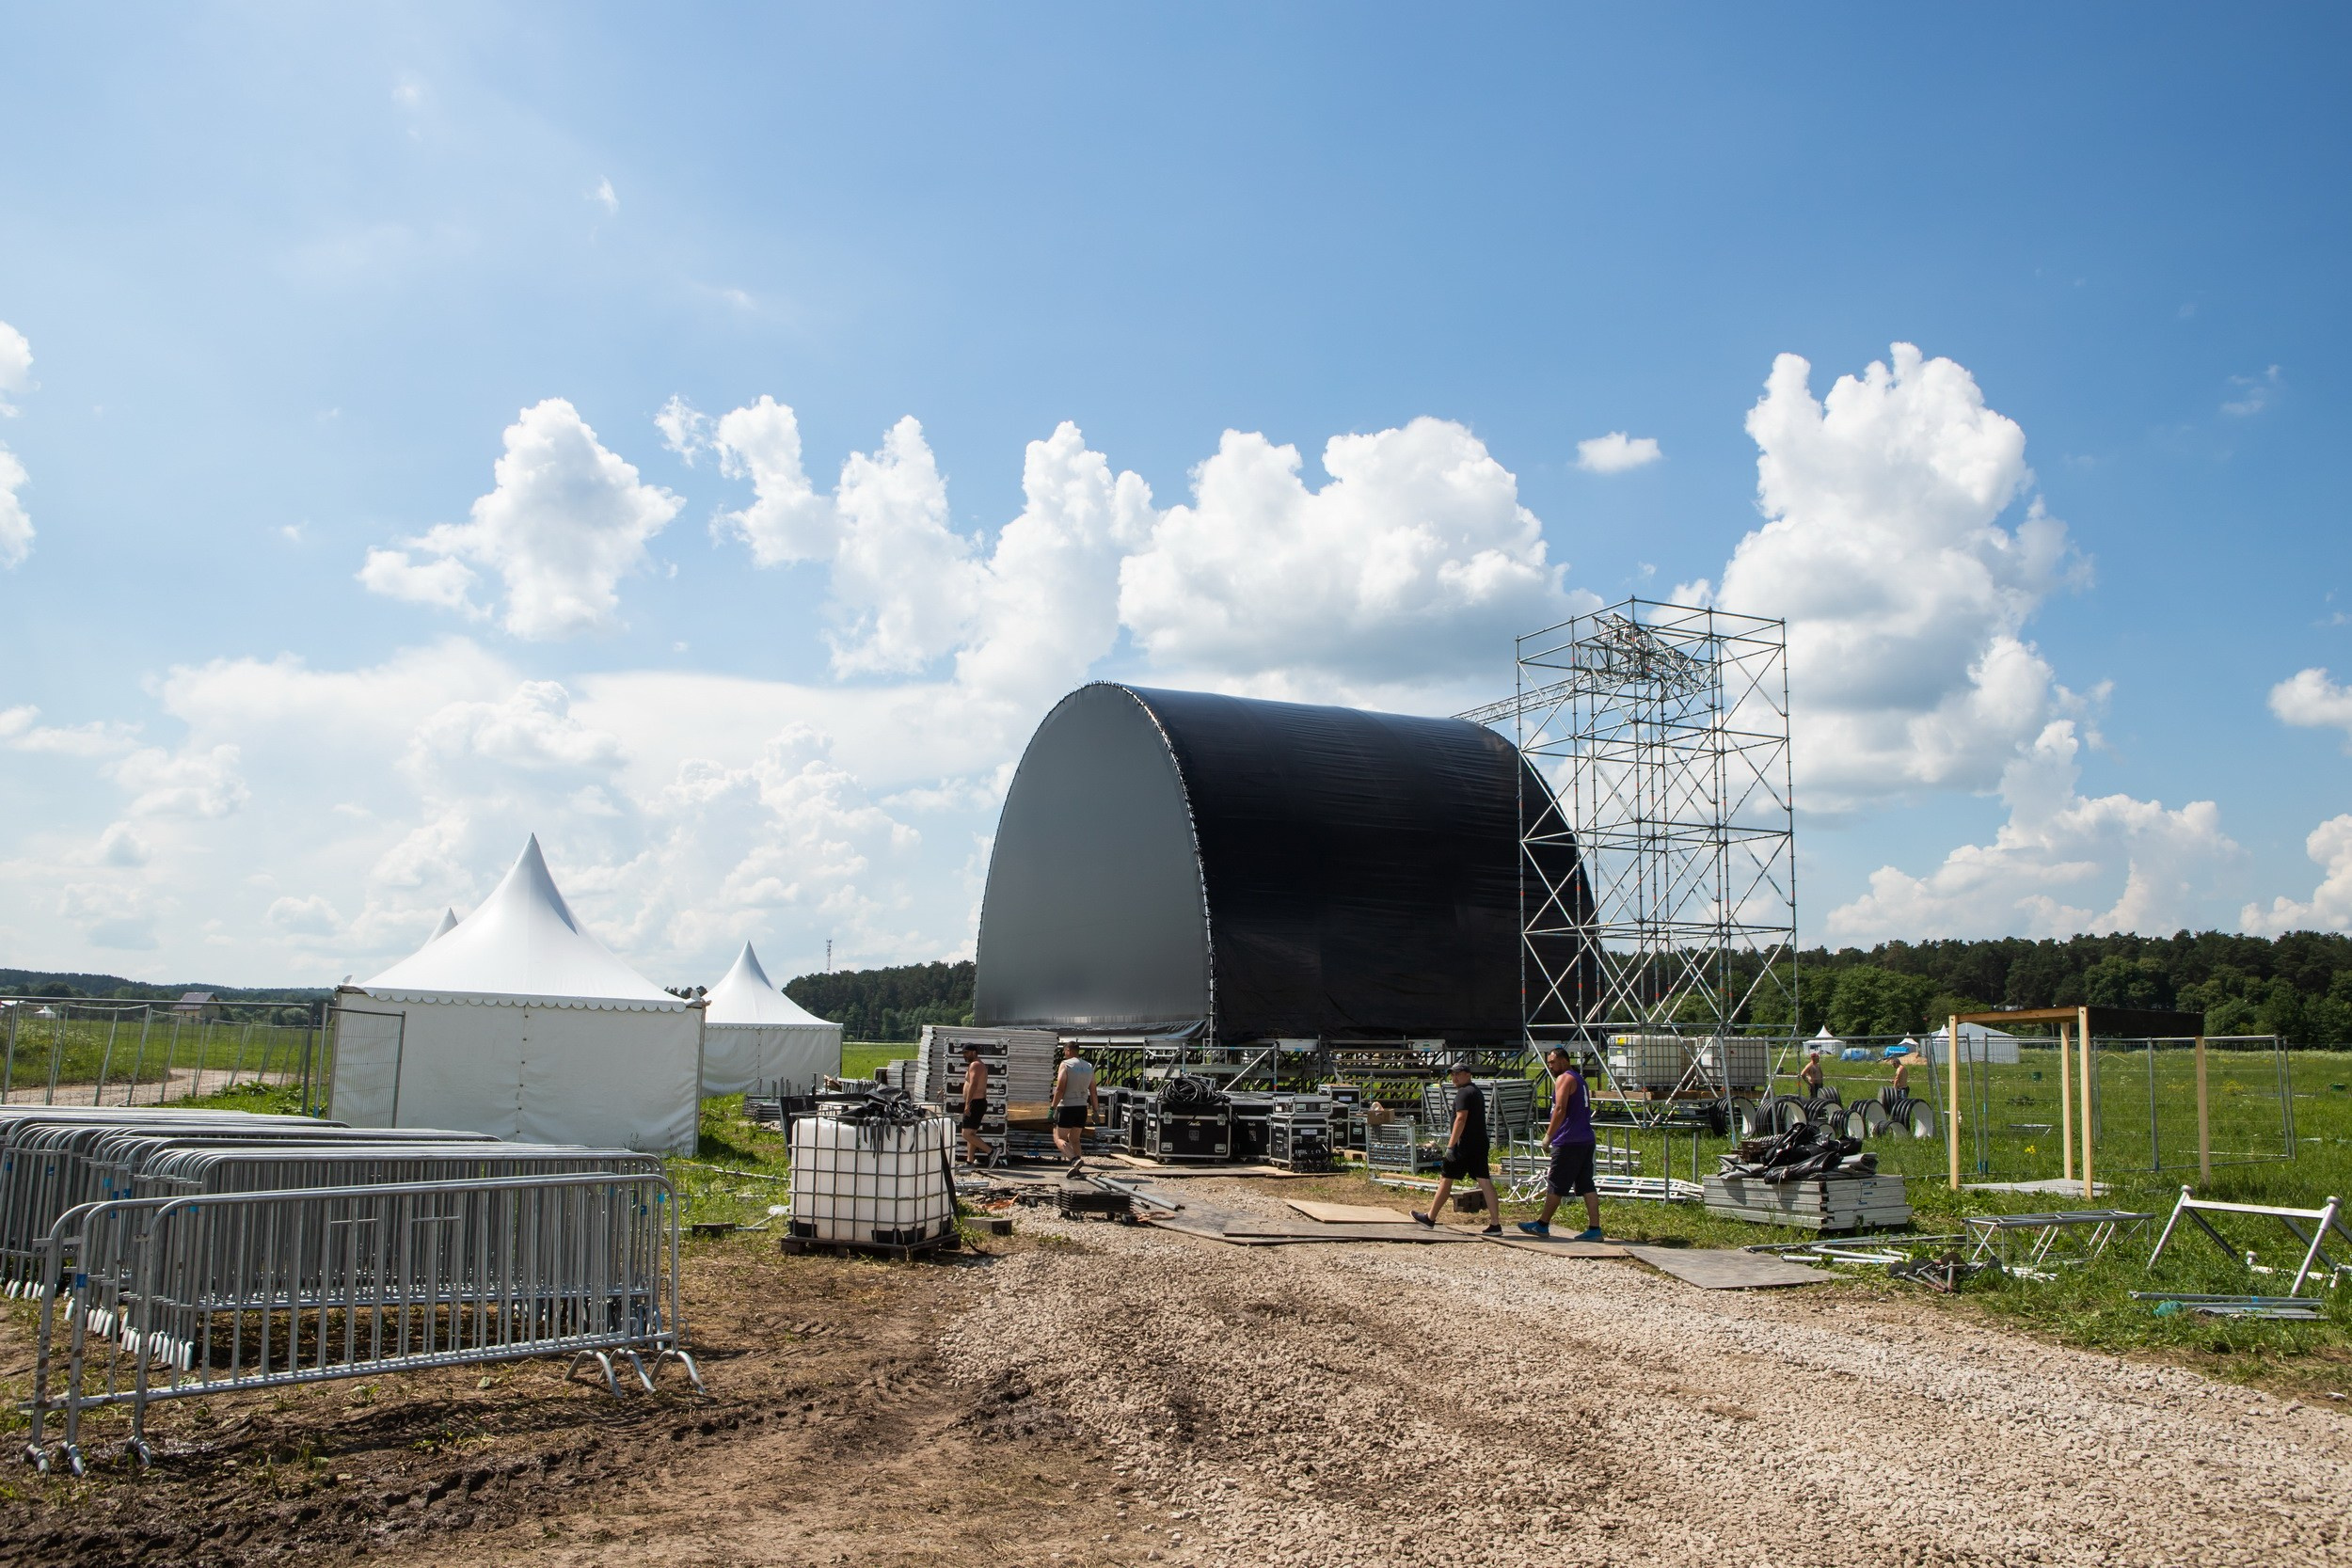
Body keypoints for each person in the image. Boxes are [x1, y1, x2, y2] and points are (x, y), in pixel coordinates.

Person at [1518, 1046, 1603, 1242]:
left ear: (1564, 1060)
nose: (1550, 1066)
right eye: (1548, 1062)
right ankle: (1594, 1229)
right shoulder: (1580, 1080)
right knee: (1586, 1185)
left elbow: (1560, 1109)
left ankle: (1542, 1225)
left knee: (1556, 1184)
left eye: (1553, 1062)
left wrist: (1549, 1135)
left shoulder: (1564, 1078)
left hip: (1568, 1140)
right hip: (1585, 1139)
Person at [1413, 1062, 1502, 1235]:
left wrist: (1451, 1146)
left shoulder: (1463, 1093)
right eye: (1452, 1074)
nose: (1454, 1077)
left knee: (1446, 1178)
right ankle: (1495, 1224)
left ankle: (1430, 1218)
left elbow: (1460, 1119)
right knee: (1484, 1180)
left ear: (1468, 1074)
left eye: (1458, 1074)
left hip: (1464, 1145)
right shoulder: (1476, 1092)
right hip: (1479, 1143)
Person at [1051, 1041, 1099, 1173]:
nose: (1063, 1054)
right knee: (1075, 1139)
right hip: (1082, 1108)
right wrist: (1096, 1110)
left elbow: (1060, 1089)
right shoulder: (1089, 1066)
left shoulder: (1066, 1065)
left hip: (1067, 1107)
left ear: (1068, 1050)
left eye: (1064, 1051)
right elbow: (1093, 1091)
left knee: (1058, 1138)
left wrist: (1052, 1107)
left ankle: (1074, 1159)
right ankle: (1076, 1168)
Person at [957, 1042, 993, 1165]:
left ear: (974, 1052)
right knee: (972, 1134)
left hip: (975, 1103)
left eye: (966, 1053)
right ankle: (970, 1161)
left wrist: (967, 1104)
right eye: (963, 1053)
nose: (964, 1056)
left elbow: (973, 1084)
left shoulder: (976, 1065)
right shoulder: (977, 1065)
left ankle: (991, 1152)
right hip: (977, 1102)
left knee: (966, 1134)